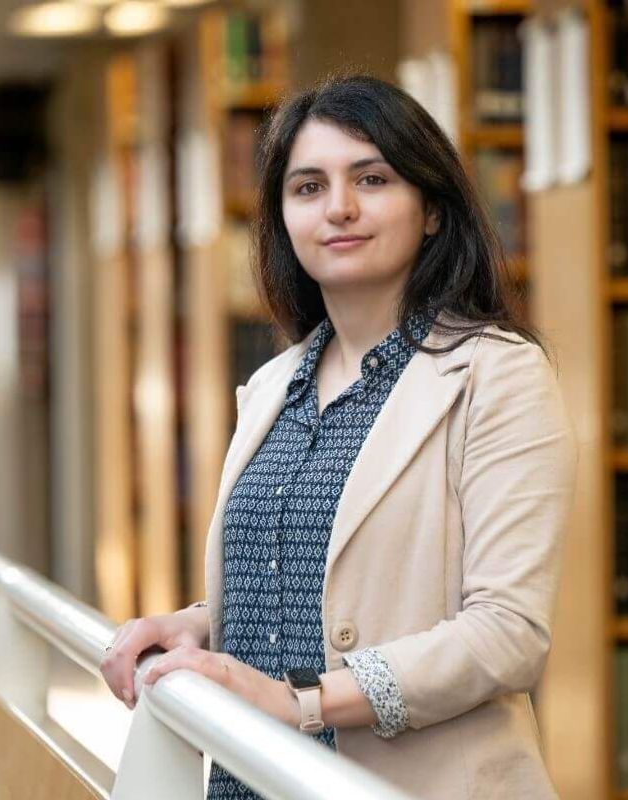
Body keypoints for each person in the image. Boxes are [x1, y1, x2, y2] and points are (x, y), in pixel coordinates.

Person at [100, 70, 578, 800]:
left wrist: (304, 702)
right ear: (283, 220)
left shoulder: (497, 375)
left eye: (373, 178)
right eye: (309, 187)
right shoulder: (272, 387)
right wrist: (200, 624)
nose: (341, 209)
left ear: (431, 210)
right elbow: (318, 580)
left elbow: (506, 635)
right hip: (254, 781)